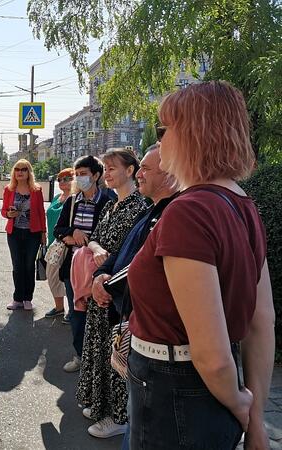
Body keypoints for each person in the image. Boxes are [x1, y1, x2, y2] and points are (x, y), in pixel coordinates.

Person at [127, 81, 274, 449]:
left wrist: (242, 403)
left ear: (194, 134)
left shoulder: (188, 211)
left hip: (174, 387)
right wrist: (254, 420)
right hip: (208, 391)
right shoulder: (244, 205)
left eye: (164, 131)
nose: (159, 143)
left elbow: (211, 353)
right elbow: (261, 321)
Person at [88, 145, 178, 449]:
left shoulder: (164, 211)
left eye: (146, 169)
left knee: (124, 367)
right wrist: (101, 276)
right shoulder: (152, 210)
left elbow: (143, 263)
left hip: (134, 312)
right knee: (112, 357)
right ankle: (110, 411)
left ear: (169, 175)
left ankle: (118, 416)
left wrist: (106, 284)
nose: (140, 173)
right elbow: (123, 252)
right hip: (113, 296)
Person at [76, 148, 147, 439]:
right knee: (98, 349)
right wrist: (94, 250)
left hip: (116, 292)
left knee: (116, 354)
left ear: (130, 170)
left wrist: (105, 280)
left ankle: (118, 417)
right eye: (104, 168)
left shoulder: (139, 207)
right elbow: (95, 240)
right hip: (98, 287)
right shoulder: (110, 205)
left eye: (111, 168)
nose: (106, 173)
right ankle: (100, 404)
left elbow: (131, 255)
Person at [53, 156, 115, 372]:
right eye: (76, 174)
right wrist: (72, 232)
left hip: (99, 268)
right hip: (73, 267)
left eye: (83, 174)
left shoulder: (109, 202)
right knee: (77, 312)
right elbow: (58, 230)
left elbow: (108, 236)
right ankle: (80, 355)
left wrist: (86, 241)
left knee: (98, 314)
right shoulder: (72, 202)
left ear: (96, 176)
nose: (79, 178)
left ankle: (100, 361)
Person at [1, 159, 47, 311]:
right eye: (17, 169)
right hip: (14, 233)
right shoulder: (9, 189)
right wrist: (9, 213)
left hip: (32, 233)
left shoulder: (36, 190)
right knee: (17, 266)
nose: (20, 172)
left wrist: (43, 233)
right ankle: (17, 298)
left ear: (29, 172)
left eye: (24, 169)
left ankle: (28, 298)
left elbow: (41, 212)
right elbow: (3, 211)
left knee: (29, 266)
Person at [44, 168, 74, 319]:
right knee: (52, 275)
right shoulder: (57, 197)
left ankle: (72, 311)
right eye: (60, 179)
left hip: (68, 243)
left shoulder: (76, 198)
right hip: (53, 242)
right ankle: (59, 307)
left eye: (67, 178)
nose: (62, 181)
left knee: (69, 278)